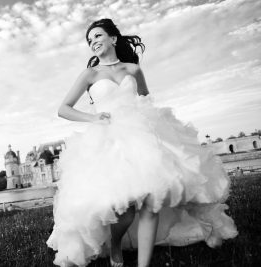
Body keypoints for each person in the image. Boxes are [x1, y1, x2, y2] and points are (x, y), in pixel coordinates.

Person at [46, 18, 237, 267]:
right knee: (123, 210)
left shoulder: (133, 70)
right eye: (90, 40)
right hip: (107, 140)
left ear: (113, 39)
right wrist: (92, 117)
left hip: (140, 137)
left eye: (98, 36)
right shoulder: (90, 74)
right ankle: (115, 244)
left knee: (152, 200)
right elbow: (63, 108)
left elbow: (146, 100)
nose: (93, 42)